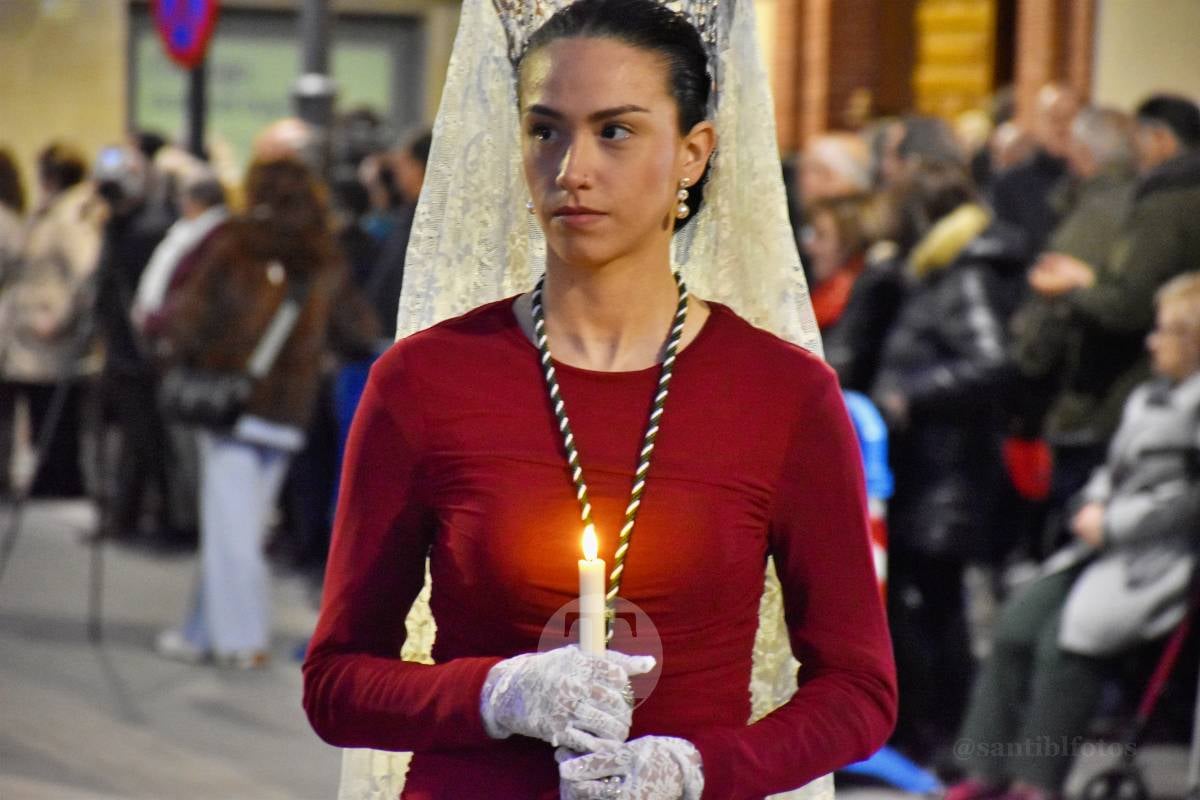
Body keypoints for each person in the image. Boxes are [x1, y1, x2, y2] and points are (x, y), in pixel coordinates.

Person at [302, 1, 896, 798]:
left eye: (615, 131)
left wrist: (693, 769)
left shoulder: (782, 394)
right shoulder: (425, 381)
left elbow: (860, 694)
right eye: (546, 131)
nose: (572, 169)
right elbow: (336, 684)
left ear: (693, 153)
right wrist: (495, 694)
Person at [946, 271, 1200, 800]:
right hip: (1099, 543)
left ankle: (1036, 781)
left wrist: (1115, 522)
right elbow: (1116, 465)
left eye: (1166, 332)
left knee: (1070, 641)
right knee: (1016, 624)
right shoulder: (1148, 395)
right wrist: (1094, 502)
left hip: (1158, 558)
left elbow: (1186, 500)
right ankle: (984, 767)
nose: (1151, 342)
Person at [155, 157, 379, 668]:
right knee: (239, 523)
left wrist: (188, 354)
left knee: (232, 527)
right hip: (289, 411)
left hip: (233, 402)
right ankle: (198, 633)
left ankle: (241, 640)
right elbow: (358, 331)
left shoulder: (236, 244)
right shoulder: (325, 254)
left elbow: (190, 320)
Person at [871, 158, 1026, 762]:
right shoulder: (944, 270)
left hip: (949, 473)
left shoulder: (963, 275)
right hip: (934, 470)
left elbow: (994, 362)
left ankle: (946, 736)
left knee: (937, 603)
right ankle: (938, 732)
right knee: (932, 600)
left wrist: (913, 393)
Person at [1009, 107, 1139, 555]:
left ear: (1082, 153)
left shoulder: (1097, 214)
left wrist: (1027, 363)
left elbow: (1052, 310)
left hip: (1087, 399)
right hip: (1127, 398)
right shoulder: (1145, 204)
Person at [0, 142, 103, 498]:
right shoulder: (51, 214)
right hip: (29, 335)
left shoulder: (70, 218)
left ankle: (59, 483)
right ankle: (49, 479)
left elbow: (87, 271)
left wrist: (59, 318)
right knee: (41, 414)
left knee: (53, 419)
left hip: (48, 338)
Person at [990, 84, 1080, 254]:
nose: (1061, 127)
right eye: (1053, 117)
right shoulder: (1009, 184)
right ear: (1038, 122)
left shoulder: (1090, 180)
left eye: (1069, 117)